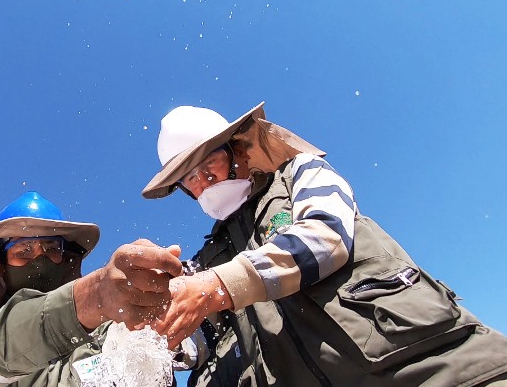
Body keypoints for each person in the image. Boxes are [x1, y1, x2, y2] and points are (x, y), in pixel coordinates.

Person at [141, 103, 507, 386]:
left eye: (210, 168)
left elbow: (325, 237)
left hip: (441, 372)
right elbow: (192, 344)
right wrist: (150, 334)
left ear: (238, 150)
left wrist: (217, 285)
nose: (203, 185)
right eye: (191, 182)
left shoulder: (301, 173)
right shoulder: (206, 260)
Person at [0, 191, 183, 387]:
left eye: (51, 249)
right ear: (0, 266)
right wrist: (95, 295)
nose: (39, 259)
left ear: (66, 258)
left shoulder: (110, 328)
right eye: (23, 251)